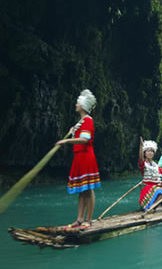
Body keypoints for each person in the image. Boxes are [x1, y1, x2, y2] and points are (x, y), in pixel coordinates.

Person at [56, 89, 101, 229]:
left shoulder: (87, 120)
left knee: (88, 188)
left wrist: (67, 141)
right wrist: (72, 132)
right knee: (82, 189)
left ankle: (88, 219)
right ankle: (79, 219)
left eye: (78, 102)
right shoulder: (81, 122)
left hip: (86, 156)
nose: (75, 104)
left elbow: (84, 139)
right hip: (79, 156)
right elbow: (79, 136)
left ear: (83, 105)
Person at [138, 136, 162, 211]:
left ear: (154, 153)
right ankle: (150, 207)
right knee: (160, 189)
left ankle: (153, 206)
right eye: (148, 151)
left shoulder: (156, 165)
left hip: (155, 188)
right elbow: (140, 159)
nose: (150, 153)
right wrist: (141, 146)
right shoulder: (143, 163)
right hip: (147, 188)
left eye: (151, 151)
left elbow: (160, 178)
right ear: (145, 153)